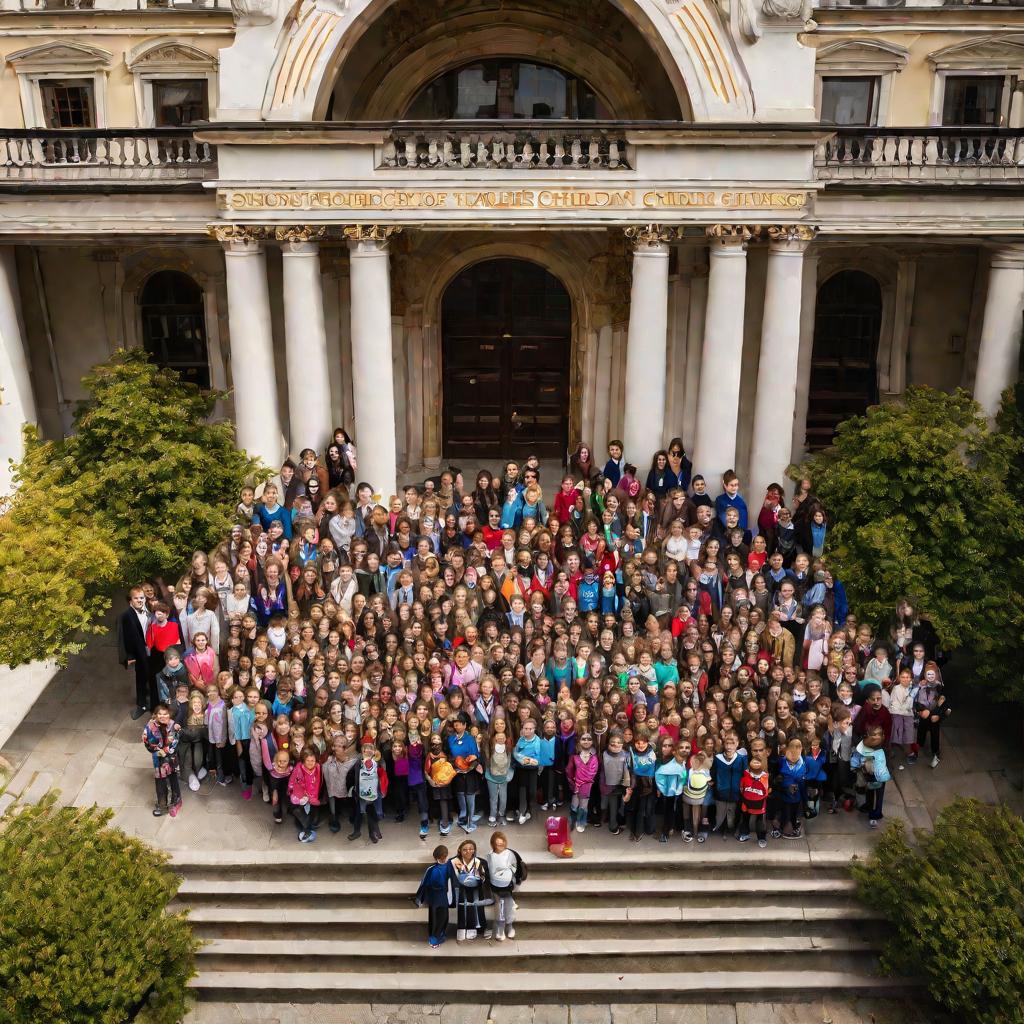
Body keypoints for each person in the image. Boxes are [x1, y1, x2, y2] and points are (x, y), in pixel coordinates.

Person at [142, 703, 182, 817]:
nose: (162, 716)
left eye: (165, 714)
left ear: (169, 715)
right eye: (159, 714)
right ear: (156, 715)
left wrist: (165, 750)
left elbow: (175, 742)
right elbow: (146, 740)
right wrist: (157, 750)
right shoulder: (150, 726)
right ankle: (162, 805)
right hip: (158, 759)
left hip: (171, 758)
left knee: (172, 778)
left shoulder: (173, 725)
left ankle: (176, 801)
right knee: (160, 780)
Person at [485, 830, 526, 941]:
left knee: (508, 907)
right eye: (497, 844)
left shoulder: (511, 854)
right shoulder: (490, 855)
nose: (500, 846)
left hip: (507, 886)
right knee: (500, 908)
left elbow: (517, 868)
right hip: (495, 887)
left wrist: (516, 881)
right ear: (493, 844)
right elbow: (488, 870)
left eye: (502, 844)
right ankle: (501, 929)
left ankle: (510, 927)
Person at [118, 586, 152, 719]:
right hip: (138, 651)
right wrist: (128, 656)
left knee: (152, 675)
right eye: (136, 598)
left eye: (142, 598)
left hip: (151, 649)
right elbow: (123, 638)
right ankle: (141, 704)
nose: (139, 600)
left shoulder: (149, 611)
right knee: (141, 678)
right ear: (130, 601)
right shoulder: (126, 616)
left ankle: (153, 701)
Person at [448, 839, 491, 942]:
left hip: (476, 888)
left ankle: (477, 928)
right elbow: (449, 876)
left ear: (474, 850)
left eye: (471, 849)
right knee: (462, 904)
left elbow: (486, 877)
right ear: (459, 850)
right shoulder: (453, 862)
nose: (468, 851)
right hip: (460, 889)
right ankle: (461, 928)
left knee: (477, 905)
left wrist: (480, 879)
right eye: (465, 849)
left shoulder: (480, 862)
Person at [415, 845, 452, 948]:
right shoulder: (431, 869)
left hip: (444, 896)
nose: (444, 858)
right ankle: (433, 939)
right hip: (434, 898)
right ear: (437, 857)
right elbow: (424, 884)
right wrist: (420, 899)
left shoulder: (449, 866)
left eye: (445, 856)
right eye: (442, 856)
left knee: (444, 917)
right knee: (435, 919)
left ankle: (440, 935)